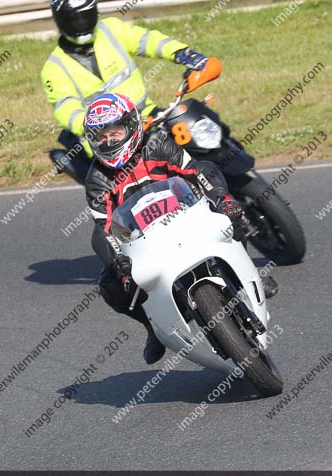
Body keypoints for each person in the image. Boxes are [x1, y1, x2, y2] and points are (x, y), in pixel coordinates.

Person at [83, 93, 274, 364]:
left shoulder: (157, 144)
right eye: (100, 137)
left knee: (220, 192)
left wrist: (222, 198)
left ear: (131, 126)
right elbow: (104, 228)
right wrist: (120, 262)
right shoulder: (97, 180)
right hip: (144, 238)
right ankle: (152, 327)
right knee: (108, 284)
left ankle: (246, 273)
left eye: (114, 132)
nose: (109, 141)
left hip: (188, 212)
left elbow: (195, 172)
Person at [41, 0, 212, 180]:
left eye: (86, 16)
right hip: (108, 140)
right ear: (61, 21)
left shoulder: (111, 29)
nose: (82, 23)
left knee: (198, 130)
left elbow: (147, 41)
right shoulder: (54, 68)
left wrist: (182, 53)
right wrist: (101, 125)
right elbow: (66, 110)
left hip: (147, 117)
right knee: (141, 185)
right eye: (75, 20)